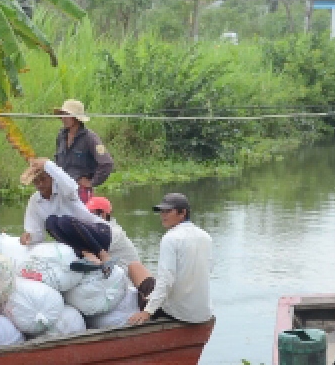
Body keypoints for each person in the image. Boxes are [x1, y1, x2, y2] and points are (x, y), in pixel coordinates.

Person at [19, 158, 151, 287]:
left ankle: (101, 254)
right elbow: (37, 234)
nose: (40, 184)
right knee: (51, 222)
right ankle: (88, 254)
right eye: (36, 181)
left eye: (43, 179)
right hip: (80, 245)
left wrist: (47, 164)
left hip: (103, 236)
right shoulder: (35, 202)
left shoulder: (64, 190)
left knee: (136, 280)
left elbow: (70, 185)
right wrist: (29, 237)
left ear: (52, 177)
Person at [127, 192, 212, 326]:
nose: (163, 215)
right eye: (161, 211)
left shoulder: (171, 238)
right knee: (148, 281)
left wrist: (147, 311)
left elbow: (166, 280)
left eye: (168, 211)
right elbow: (208, 270)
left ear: (182, 213)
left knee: (135, 277)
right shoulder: (206, 236)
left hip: (179, 314)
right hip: (203, 313)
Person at [54, 99, 114, 204]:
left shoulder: (90, 138)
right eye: (62, 114)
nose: (63, 118)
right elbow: (58, 162)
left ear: (76, 118)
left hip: (80, 191)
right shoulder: (61, 136)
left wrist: (92, 183)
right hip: (61, 189)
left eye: (67, 114)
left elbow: (106, 163)